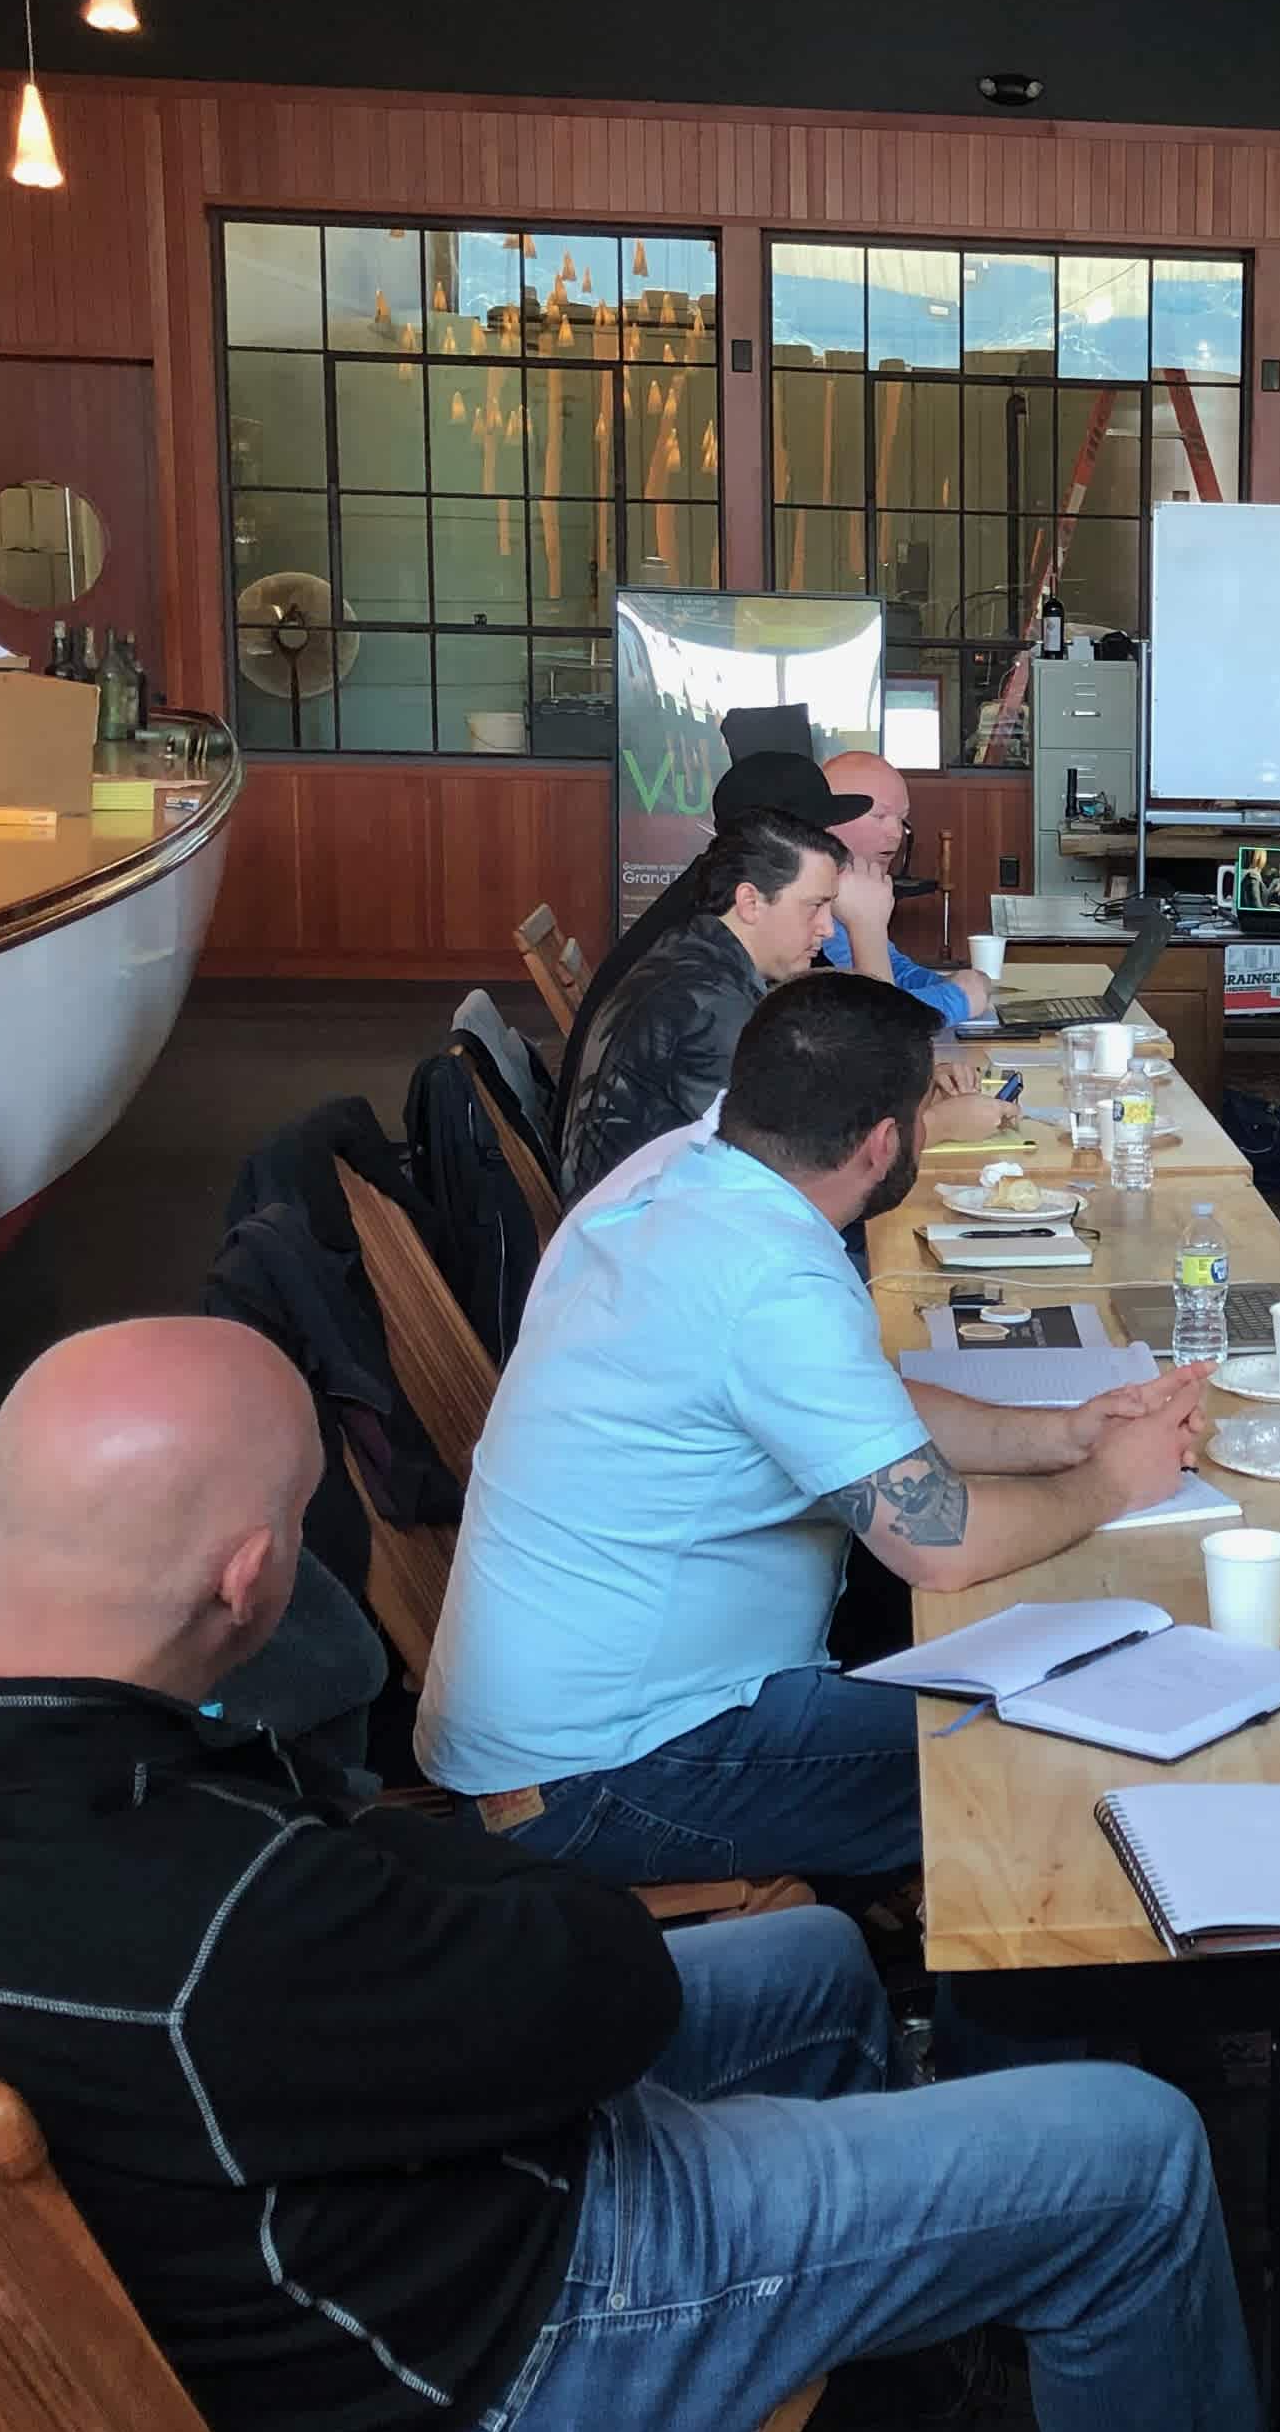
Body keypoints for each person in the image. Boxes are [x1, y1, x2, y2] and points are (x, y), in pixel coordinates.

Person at [0, 1314, 1260, 2432]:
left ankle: (889, 2402)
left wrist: (388, 1862)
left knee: (814, 1957)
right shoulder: (223, 1911)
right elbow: (605, 1985)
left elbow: (434, 1932)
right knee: (1129, 2150)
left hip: (283, 2201)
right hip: (479, 2333)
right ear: (248, 1579)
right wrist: (402, 1862)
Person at [426, 975, 1212, 1884]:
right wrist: (1116, 1479)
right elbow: (940, 1546)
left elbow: (860, 1403)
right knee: (1052, 1754)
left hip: (567, 1728)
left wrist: (1065, 1434)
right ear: (885, 1144)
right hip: (607, 1775)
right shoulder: (771, 1280)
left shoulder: (688, 1181)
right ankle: (991, 2017)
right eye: (922, 1118)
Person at [556, 807, 845, 1195]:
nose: (827, 927)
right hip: (639, 1236)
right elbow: (787, 1166)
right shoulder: (706, 1004)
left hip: (640, 1215)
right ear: (750, 902)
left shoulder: (692, 950)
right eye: (815, 906)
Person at [815, 747, 1001, 1024]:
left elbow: (891, 971)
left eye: (902, 819)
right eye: (879, 816)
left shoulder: (857, 888)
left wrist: (954, 983)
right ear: (829, 819)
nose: (895, 834)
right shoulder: (806, 900)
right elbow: (870, 1020)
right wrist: (956, 999)